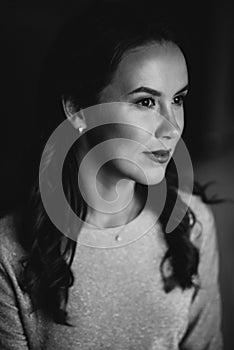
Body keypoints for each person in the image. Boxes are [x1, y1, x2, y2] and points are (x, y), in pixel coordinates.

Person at [0, 2, 223, 349]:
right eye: (146, 102)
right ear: (77, 109)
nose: (172, 126)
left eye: (177, 99)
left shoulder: (194, 225)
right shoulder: (8, 253)